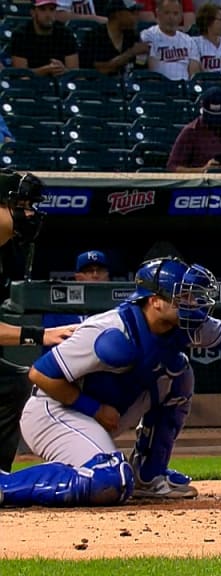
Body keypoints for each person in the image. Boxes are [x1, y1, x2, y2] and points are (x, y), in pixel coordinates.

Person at [16, 257, 221, 505]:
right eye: (182, 297)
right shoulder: (112, 331)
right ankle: (7, 486)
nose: (192, 303)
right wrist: (94, 409)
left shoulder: (183, 323)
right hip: (53, 413)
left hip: (99, 414)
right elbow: (40, 374)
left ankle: (148, 476)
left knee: (178, 374)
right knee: (111, 479)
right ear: (155, 301)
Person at [0, 170, 75, 473]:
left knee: (13, 384)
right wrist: (39, 335)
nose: (30, 213)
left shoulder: (7, 253)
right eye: (21, 205)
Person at [166, 87, 221, 172]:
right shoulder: (191, 130)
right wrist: (203, 170)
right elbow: (173, 167)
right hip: (202, 185)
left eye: (220, 118)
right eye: (212, 118)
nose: (216, 124)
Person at [42, 251, 112, 336]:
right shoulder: (58, 308)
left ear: (107, 275)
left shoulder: (117, 307)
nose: (95, 275)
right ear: (78, 277)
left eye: (100, 270)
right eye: (89, 271)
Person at [78, 0, 149, 77]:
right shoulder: (94, 37)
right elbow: (97, 71)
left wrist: (142, 58)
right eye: (133, 13)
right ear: (118, 14)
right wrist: (130, 53)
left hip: (128, 87)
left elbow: (140, 69)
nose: (137, 16)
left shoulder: (132, 36)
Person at [10, 0, 80, 76]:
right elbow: (20, 75)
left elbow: (74, 74)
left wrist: (63, 70)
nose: (48, 15)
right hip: (31, 85)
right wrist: (44, 70)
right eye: (42, 9)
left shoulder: (65, 33)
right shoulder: (21, 34)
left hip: (60, 83)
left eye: (52, 9)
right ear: (33, 12)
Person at [141, 0, 201, 81]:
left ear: (181, 16)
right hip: (160, 88)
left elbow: (194, 75)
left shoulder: (189, 41)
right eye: (167, 13)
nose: (171, 18)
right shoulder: (148, 36)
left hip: (185, 89)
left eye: (175, 13)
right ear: (158, 13)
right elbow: (152, 72)